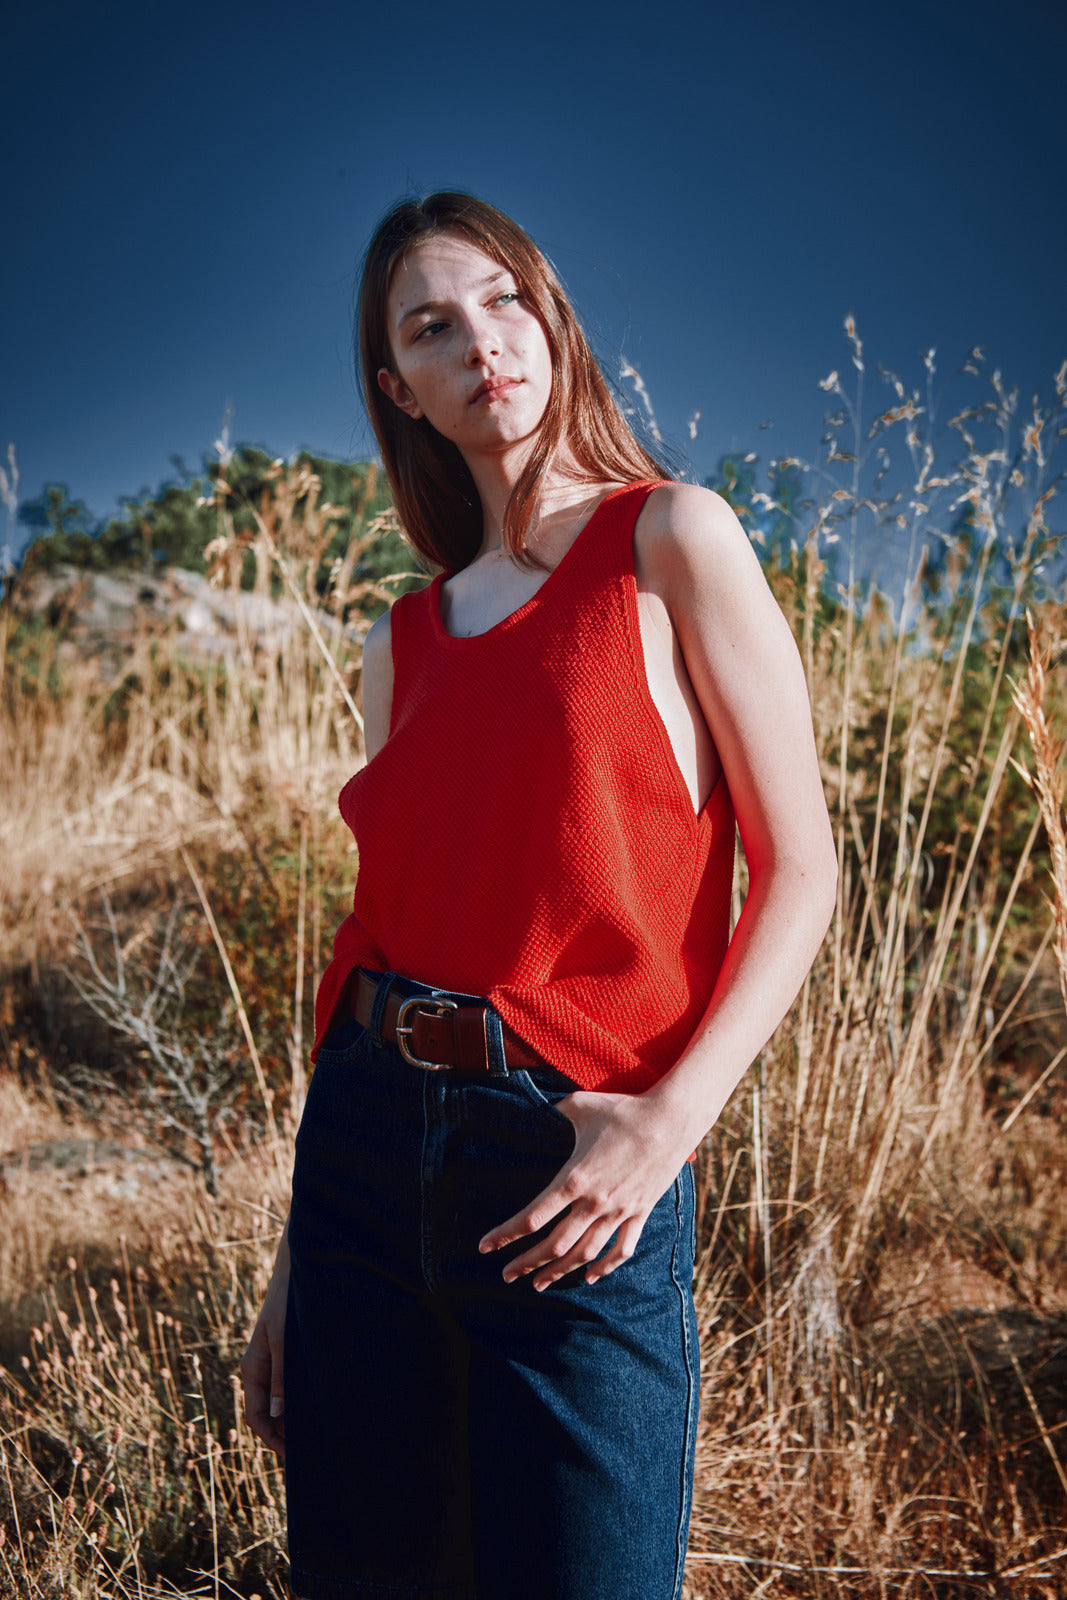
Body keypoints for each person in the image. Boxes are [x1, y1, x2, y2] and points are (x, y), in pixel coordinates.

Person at [241, 191, 838, 1600]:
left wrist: (663, 1130)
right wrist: (293, 1264)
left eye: (504, 302)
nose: (481, 345)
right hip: (365, 1159)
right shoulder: (403, 640)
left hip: (572, 1157)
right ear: (404, 392)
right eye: (433, 329)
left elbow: (801, 869)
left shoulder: (672, 539)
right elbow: (372, 936)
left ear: (552, 321)